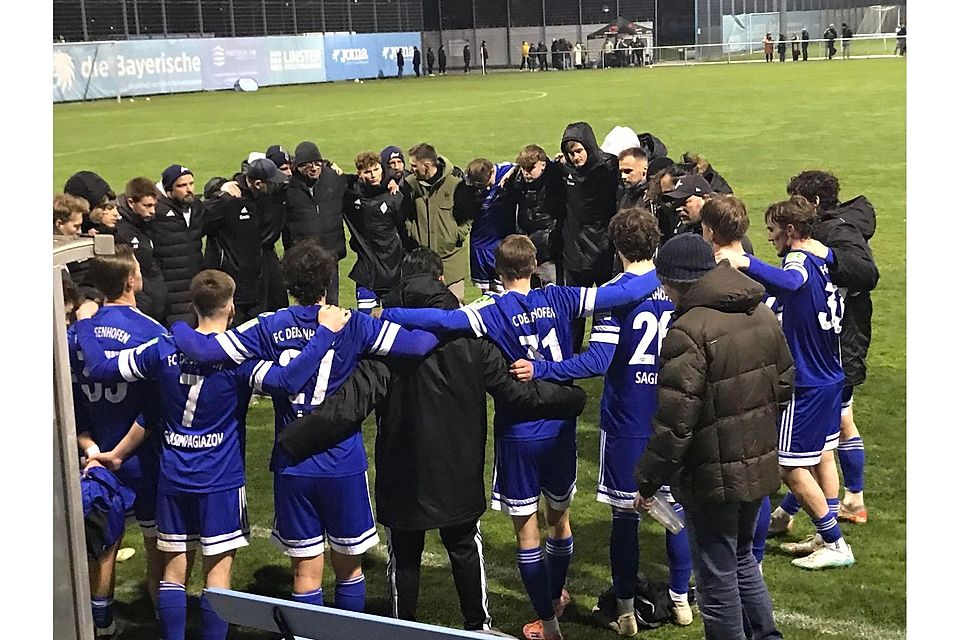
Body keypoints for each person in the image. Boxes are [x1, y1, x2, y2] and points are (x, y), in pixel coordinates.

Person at [275, 247, 588, 634]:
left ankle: (402, 628)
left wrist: (295, 437)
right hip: (460, 464)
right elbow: (515, 391)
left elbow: (349, 404)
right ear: (441, 280)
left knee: (404, 556)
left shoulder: (385, 341)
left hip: (402, 465)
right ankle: (477, 626)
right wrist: (571, 397)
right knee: (464, 548)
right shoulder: (472, 335)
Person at [379, 236, 663, 640]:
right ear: (534, 266)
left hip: (518, 431)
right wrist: (659, 266)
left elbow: (441, 322)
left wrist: (388, 312)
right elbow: (624, 291)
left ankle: (547, 623)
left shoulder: (489, 309)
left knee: (526, 532)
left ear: (497, 272)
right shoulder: (563, 296)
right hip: (560, 427)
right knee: (559, 521)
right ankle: (556, 595)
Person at [74, 268, 348, 640]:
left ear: (192, 304)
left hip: (173, 474)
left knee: (174, 570)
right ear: (231, 307)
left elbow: (102, 366)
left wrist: (85, 321)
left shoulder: (162, 348)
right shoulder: (238, 359)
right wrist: (325, 335)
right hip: (220, 478)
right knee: (217, 574)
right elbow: (288, 380)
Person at [168, 241, 439, 615]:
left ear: (289, 284)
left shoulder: (268, 325)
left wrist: (177, 326)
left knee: (306, 573)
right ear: (330, 280)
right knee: (349, 570)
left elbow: (204, 350)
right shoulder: (354, 324)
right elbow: (419, 344)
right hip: (342, 462)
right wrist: (407, 315)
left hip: (293, 464)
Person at [510, 208, 695, 634]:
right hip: (671, 412)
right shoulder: (675, 289)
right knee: (676, 509)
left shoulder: (615, 292)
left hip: (627, 417)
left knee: (627, 516)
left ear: (615, 246)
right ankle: (682, 601)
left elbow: (598, 359)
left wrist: (543, 370)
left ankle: (627, 610)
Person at [633, 232, 792, 640]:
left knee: (717, 578)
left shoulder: (688, 330)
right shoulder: (761, 312)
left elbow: (675, 422)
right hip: (759, 460)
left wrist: (647, 481)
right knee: (742, 562)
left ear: (676, 282)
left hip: (712, 476)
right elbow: (786, 382)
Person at [718, 196, 856, 571]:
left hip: (807, 381)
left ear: (791, 231)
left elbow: (792, 281)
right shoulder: (822, 257)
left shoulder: (797, 260)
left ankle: (834, 541)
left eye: (774, 230)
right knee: (821, 456)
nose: (770, 238)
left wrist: (745, 262)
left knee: (788, 466)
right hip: (831, 373)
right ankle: (822, 530)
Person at [68, 246, 167, 636]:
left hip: (91, 457)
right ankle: (164, 615)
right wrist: (120, 453)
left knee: (102, 541)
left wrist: (92, 449)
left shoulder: (75, 334)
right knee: (156, 539)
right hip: (141, 456)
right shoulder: (151, 331)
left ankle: (101, 622)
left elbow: (68, 401)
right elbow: (156, 408)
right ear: (131, 281)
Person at [781, 170, 879, 524]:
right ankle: (842, 501)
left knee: (832, 427)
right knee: (833, 426)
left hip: (840, 343)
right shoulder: (834, 227)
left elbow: (867, 273)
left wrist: (825, 254)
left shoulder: (836, 232)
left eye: (796, 199)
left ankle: (843, 505)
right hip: (834, 341)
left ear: (815, 203)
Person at [204, 158, 290, 326]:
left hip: (261, 274)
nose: (276, 185)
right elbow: (197, 221)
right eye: (272, 182)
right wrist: (218, 188)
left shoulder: (273, 193)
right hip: (235, 281)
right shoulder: (229, 200)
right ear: (258, 184)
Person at [558, 121, 621, 350]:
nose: (575, 157)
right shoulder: (563, 170)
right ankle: (572, 350)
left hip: (602, 249)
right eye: (570, 153)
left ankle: (602, 349)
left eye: (578, 151)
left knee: (603, 305)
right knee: (575, 307)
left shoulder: (608, 167)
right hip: (574, 250)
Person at [400, 143, 471, 303]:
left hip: (451, 261)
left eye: (413, 165)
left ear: (426, 165)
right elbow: (404, 215)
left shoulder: (456, 183)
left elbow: (468, 215)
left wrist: (456, 234)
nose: (411, 169)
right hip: (424, 263)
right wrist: (413, 233)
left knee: (455, 306)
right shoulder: (409, 185)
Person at [283, 140, 348, 305]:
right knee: (308, 306)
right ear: (297, 166)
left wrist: (390, 179)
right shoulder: (287, 187)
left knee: (332, 303)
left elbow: (361, 182)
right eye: (307, 164)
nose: (313, 168)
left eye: (317, 163)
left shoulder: (334, 178)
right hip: (304, 260)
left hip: (330, 255)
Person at [344, 151, 406, 314]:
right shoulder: (351, 196)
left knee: (394, 320)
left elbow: (404, 230)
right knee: (364, 320)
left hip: (392, 269)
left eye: (376, 170)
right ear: (359, 174)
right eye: (367, 172)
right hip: (367, 271)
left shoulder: (394, 196)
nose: (373, 175)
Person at [500, 144, 563, 286]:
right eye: (523, 168)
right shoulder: (517, 180)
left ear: (543, 165)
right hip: (525, 251)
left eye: (530, 168)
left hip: (548, 250)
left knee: (553, 292)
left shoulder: (555, 178)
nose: (526, 173)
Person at [151, 164, 205, 326]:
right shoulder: (156, 213)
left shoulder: (195, 208)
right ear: (168, 190)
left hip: (195, 290)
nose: (189, 189)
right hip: (170, 293)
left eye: (191, 184)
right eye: (181, 185)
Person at [115, 177, 169, 323]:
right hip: (139, 308)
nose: (152, 211)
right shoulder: (120, 231)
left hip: (157, 304)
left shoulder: (148, 224)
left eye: (154, 206)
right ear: (131, 203)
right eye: (147, 206)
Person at [465, 158, 515, 294]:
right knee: (486, 294)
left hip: (502, 244)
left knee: (504, 291)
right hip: (479, 246)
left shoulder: (506, 170)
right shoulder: (468, 181)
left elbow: (530, 163)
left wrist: (512, 171)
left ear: (492, 170)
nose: (485, 189)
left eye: (486, 184)